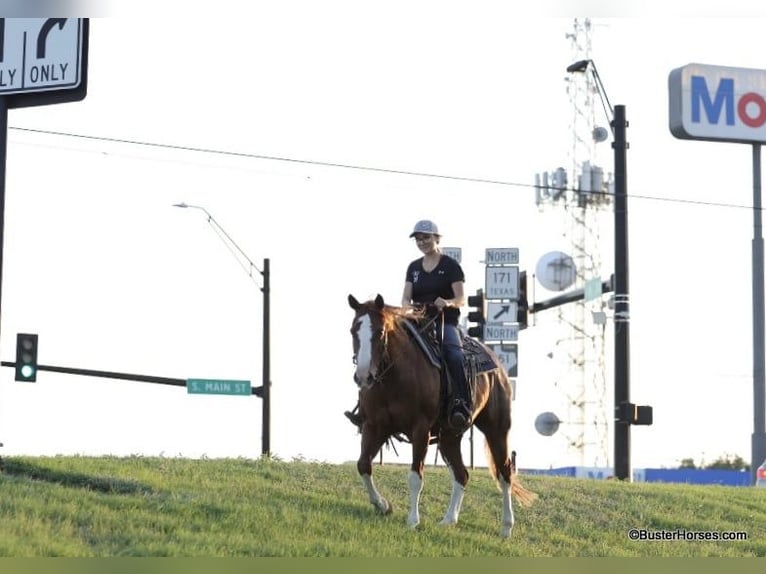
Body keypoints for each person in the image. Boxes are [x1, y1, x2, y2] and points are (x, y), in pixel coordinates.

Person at [345, 219, 473, 431]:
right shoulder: (413, 268)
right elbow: (406, 297)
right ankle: (366, 408)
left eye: (426, 237)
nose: (422, 242)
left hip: (444, 321)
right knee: (384, 348)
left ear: (437, 238)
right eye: (418, 238)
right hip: (416, 320)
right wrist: (406, 308)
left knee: (454, 354)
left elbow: (461, 298)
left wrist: (447, 302)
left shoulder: (450, 266)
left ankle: (460, 403)